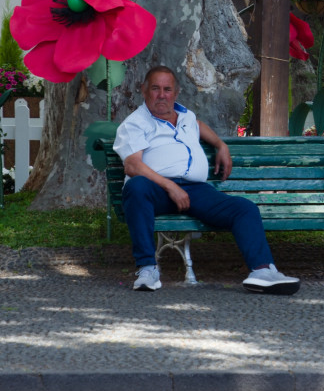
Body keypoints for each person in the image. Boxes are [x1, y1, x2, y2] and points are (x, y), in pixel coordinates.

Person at [113, 65, 300, 295]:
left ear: (176, 92)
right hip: (156, 190)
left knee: (244, 209)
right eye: (155, 88)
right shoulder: (135, 123)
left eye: (167, 89)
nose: (162, 95)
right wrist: (170, 186)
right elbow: (132, 165)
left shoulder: (186, 117)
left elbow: (198, 125)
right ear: (143, 90)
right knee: (136, 186)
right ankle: (147, 269)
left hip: (195, 190)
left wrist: (221, 145)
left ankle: (262, 271)